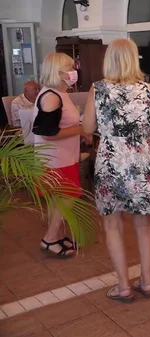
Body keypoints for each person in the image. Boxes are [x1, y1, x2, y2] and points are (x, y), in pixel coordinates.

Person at [82, 38, 150, 302]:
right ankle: (146, 281)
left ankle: (123, 286)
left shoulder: (97, 90)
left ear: (108, 60)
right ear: (134, 59)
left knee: (112, 225)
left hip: (111, 163)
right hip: (142, 162)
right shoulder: (148, 90)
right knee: (143, 225)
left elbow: (87, 129)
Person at [33, 53, 89, 258]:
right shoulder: (51, 97)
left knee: (59, 201)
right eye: (70, 67)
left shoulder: (59, 93)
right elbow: (48, 133)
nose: (74, 71)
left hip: (64, 157)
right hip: (56, 160)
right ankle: (49, 238)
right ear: (58, 72)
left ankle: (55, 236)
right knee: (68, 198)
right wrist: (80, 130)